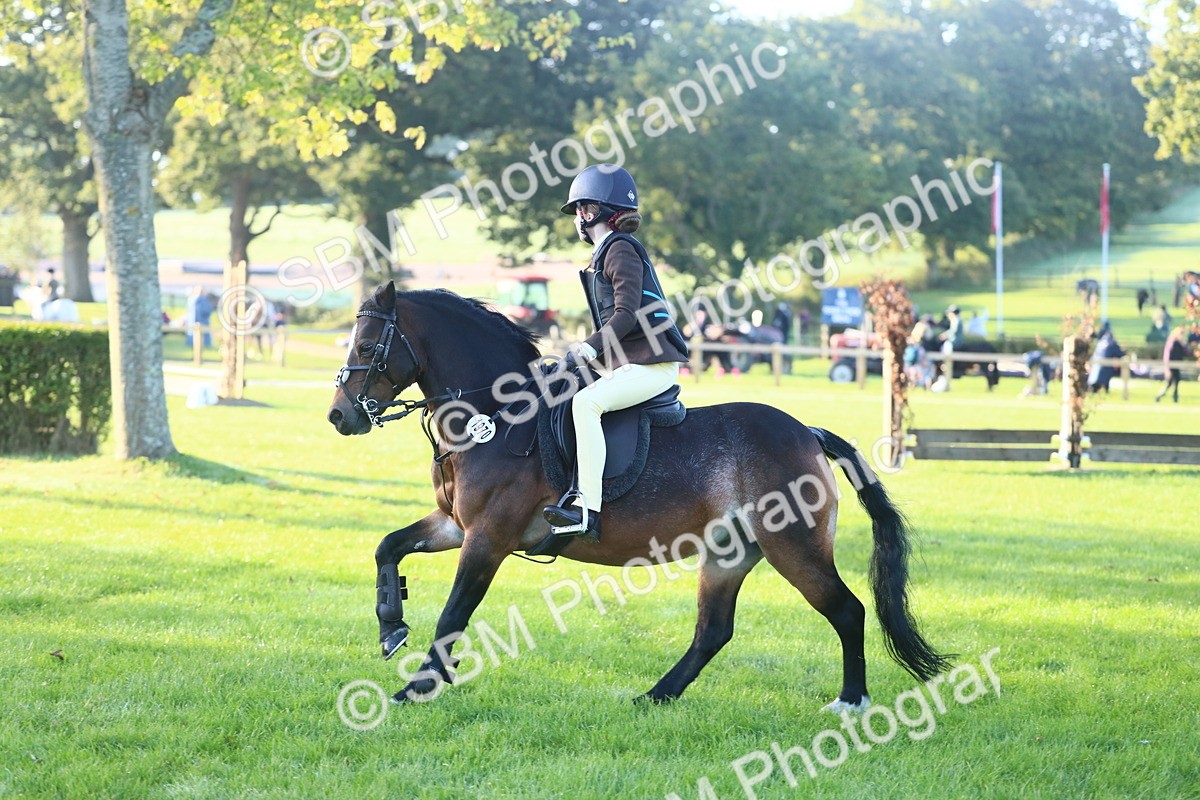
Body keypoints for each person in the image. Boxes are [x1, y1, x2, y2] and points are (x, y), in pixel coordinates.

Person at [542, 164, 690, 542]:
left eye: (581, 208)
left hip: (652, 363)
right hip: (630, 360)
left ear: (596, 212)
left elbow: (626, 314)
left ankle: (585, 509)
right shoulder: (606, 252)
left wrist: (586, 350)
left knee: (585, 405)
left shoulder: (619, 248)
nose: (577, 217)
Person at [1155, 328, 1190, 403]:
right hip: (1171, 365)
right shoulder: (1172, 342)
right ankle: (1162, 396)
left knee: (1175, 381)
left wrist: (1183, 344)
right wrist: (1167, 367)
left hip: (1177, 365)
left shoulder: (1180, 343)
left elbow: (1186, 353)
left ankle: (1174, 397)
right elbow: (1168, 355)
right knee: (1170, 382)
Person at [1087, 322, 1123, 393]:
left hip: (1096, 368)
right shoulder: (1111, 342)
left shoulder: (1101, 342)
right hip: (1105, 369)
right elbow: (1119, 353)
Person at [937, 305, 964, 389]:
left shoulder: (956, 320)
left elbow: (953, 331)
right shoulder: (956, 320)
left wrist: (944, 335)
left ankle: (946, 359)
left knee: (946, 345)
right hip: (954, 339)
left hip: (956, 341)